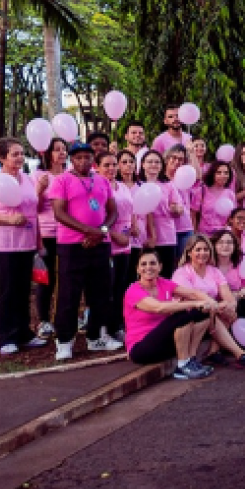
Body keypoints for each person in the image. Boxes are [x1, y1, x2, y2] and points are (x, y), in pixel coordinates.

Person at [124, 250, 245, 378]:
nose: (148, 267)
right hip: (142, 349)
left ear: (160, 267)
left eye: (153, 263)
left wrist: (213, 304)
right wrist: (195, 303)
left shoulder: (163, 283)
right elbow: (160, 308)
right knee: (182, 315)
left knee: (203, 313)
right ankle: (183, 365)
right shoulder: (134, 291)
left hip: (166, 342)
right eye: (143, 264)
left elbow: (193, 293)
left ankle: (194, 359)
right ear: (137, 269)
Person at [48, 142, 123, 360]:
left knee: (101, 293)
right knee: (68, 295)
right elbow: (59, 213)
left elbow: (113, 211)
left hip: (100, 244)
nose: (83, 161)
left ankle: (95, 337)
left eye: (87, 157)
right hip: (72, 246)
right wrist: (89, 231)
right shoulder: (62, 180)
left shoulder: (101, 180)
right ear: (72, 159)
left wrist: (102, 231)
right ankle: (64, 341)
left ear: (93, 159)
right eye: (78, 157)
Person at [0, 138, 47, 354]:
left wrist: (41, 191)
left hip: (27, 244)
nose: (20, 158)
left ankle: (23, 333)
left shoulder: (27, 180)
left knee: (23, 290)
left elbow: (34, 209)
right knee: (8, 291)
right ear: (2, 157)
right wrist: (7, 220)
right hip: (4, 245)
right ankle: (5, 337)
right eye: (14, 154)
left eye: (21, 153)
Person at [98, 152, 136, 341]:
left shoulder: (122, 187)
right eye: (107, 165)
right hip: (106, 244)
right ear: (97, 167)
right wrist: (113, 235)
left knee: (121, 287)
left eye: (114, 165)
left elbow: (131, 212)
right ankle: (103, 328)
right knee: (107, 289)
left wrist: (129, 233)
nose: (111, 169)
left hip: (125, 245)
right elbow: (95, 218)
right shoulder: (97, 188)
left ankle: (117, 325)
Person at [33, 137, 68, 339]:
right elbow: (33, 207)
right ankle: (44, 320)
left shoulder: (70, 175)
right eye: (57, 149)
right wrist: (39, 189)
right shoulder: (39, 175)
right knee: (47, 279)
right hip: (46, 233)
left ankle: (63, 317)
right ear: (47, 153)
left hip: (68, 234)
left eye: (64, 149)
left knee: (66, 278)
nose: (61, 153)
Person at [138, 149, 184, 277]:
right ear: (143, 164)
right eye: (150, 161)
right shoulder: (138, 184)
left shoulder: (168, 184)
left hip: (166, 236)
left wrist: (176, 209)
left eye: (157, 162)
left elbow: (179, 207)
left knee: (165, 274)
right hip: (142, 237)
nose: (153, 164)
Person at [192, 161, 237, 235]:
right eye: (219, 172)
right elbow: (193, 214)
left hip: (223, 237)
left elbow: (232, 217)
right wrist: (194, 233)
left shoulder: (230, 194)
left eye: (226, 173)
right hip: (204, 236)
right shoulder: (201, 191)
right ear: (212, 174)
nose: (223, 175)